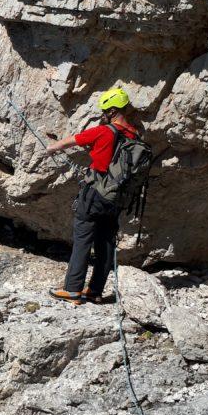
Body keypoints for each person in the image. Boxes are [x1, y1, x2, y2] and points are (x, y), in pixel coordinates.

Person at [45, 87, 140, 305]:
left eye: (105, 110)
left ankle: (72, 290)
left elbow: (72, 140)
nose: (102, 114)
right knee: (106, 243)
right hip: (117, 197)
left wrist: (52, 147)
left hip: (95, 193)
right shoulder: (134, 135)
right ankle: (95, 291)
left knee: (82, 239)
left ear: (114, 110)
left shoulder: (105, 131)